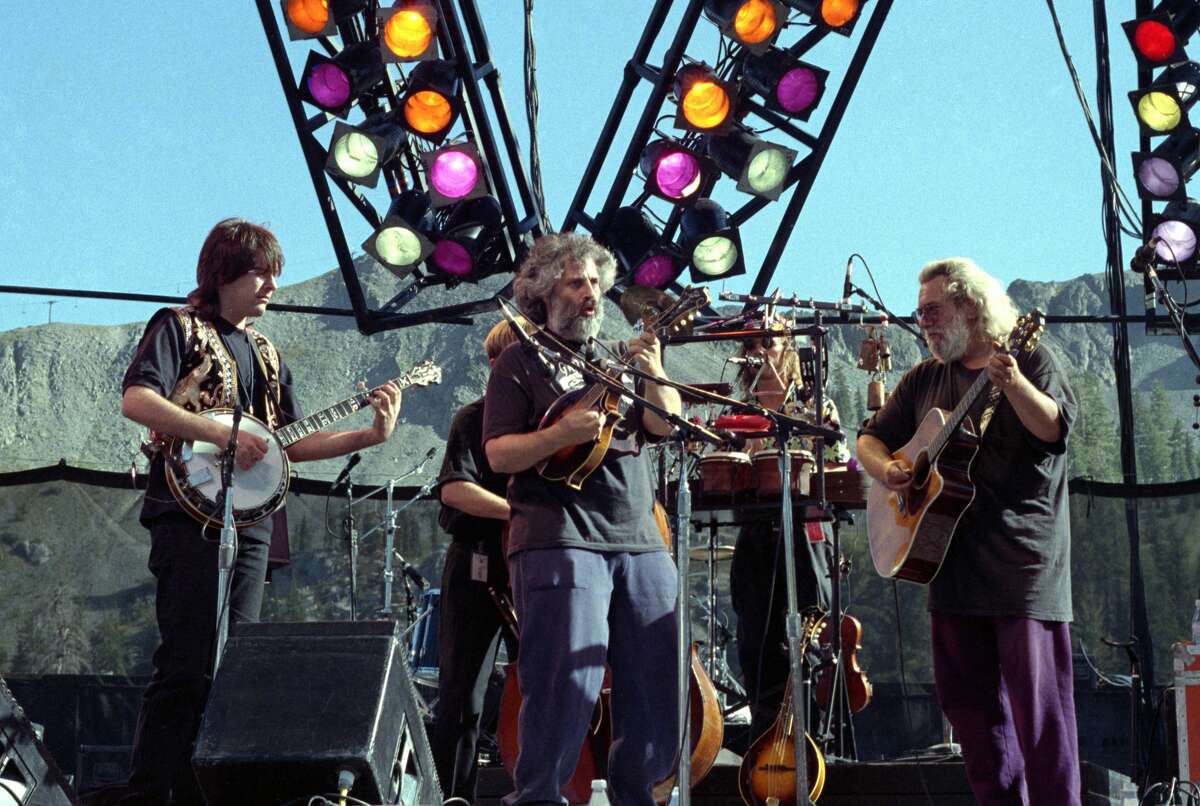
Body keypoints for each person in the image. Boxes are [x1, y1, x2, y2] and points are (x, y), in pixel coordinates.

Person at [119, 218, 402, 806]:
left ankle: (208, 793)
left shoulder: (270, 354)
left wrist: (371, 435)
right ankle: (149, 794)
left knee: (231, 667)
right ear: (224, 273)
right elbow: (137, 399)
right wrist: (218, 435)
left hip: (251, 526)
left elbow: (288, 445)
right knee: (186, 663)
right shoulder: (179, 328)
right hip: (188, 514)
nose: (273, 284)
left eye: (275, 273)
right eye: (260, 272)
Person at [857, 257, 1080, 805]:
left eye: (933, 310)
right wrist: (890, 470)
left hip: (1021, 574)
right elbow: (870, 439)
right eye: (920, 313)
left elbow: (1053, 429)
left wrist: (1015, 384)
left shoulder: (1030, 357)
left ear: (970, 305)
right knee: (978, 732)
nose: (924, 322)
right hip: (949, 573)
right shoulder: (923, 380)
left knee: (1043, 733)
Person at [482, 233, 681, 806]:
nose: (590, 294)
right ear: (545, 293)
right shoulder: (520, 363)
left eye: (596, 282)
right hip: (559, 537)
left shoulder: (616, 361)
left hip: (641, 538)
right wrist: (558, 436)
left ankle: (637, 794)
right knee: (566, 683)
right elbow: (498, 455)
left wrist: (655, 370)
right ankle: (540, 797)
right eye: (576, 283)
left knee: (654, 683)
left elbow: (663, 427)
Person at [726, 317, 851, 743]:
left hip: (804, 534)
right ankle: (768, 744)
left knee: (809, 635)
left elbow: (840, 462)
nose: (761, 350)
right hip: (757, 536)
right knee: (756, 642)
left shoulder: (816, 406)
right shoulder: (737, 413)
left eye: (770, 342)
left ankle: (815, 743)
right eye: (753, 344)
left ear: (791, 350)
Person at [430, 317, 530, 802]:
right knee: (462, 699)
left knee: (541, 692)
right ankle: (453, 797)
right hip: (479, 568)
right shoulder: (473, 418)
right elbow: (454, 490)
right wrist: (520, 512)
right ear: (495, 366)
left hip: (534, 571)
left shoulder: (546, 424)